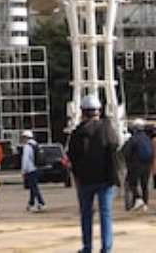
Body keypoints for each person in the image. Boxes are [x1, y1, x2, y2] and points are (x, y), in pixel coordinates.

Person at [67, 94, 121, 253]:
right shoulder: (107, 128)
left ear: (82, 112)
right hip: (106, 179)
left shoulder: (77, 133)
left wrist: (77, 177)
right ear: (99, 111)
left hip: (85, 180)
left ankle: (87, 247)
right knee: (106, 214)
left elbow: (72, 157)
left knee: (86, 214)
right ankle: (106, 248)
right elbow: (115, 147)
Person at [122, 118, 152, 211]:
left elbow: (126, 152)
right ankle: (145, 204)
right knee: (144, 184)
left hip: (136, 164)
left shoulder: (133, 139)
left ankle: (138, 198)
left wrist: (128, 161)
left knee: (131, 183)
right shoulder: (147, 138)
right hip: (147, 164)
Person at [19, 129, 46, 212]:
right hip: (37, 168)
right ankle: (31, 203)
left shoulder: (27, 146)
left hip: (30, 169)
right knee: (32, 187)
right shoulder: (35, 144)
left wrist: (23, 171)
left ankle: (41, 203)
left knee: (34, 187)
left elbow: (25, 160)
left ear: (26, 137)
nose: (22, 139)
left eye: (23, 137)